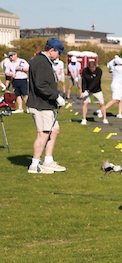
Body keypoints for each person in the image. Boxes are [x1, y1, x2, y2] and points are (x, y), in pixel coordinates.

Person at [26, 38, 69, 174]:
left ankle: (48, 161)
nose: (59, 55)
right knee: (43, 134)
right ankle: (34, 165)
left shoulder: (41, 61)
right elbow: (41, 85)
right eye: (58, 52)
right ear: (52, 50)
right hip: (40, 105)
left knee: (54, 130)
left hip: (45, 104)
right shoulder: (42, 63)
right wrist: (56, 97)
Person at [100, 54, 122, 120]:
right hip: (116, 85)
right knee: (115, 99)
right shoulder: (120, 68)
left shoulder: (112, 65)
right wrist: (118, 58)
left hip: (120, 84)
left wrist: (115, 58)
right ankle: (102, 109)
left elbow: (109, 63)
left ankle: (119, 114)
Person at [79, 60, 104, 125]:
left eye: (93, 69)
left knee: (101, 104)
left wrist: (88, 91)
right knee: (84, 103)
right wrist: (83, 91)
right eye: (91, 69)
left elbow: (95, 82)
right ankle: (84, 119)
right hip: (87, 89)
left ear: (95, 67)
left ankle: (105, 119)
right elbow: (83, 81)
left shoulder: (99, 71)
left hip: (97, 89)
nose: (92, 70)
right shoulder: (85, 71)